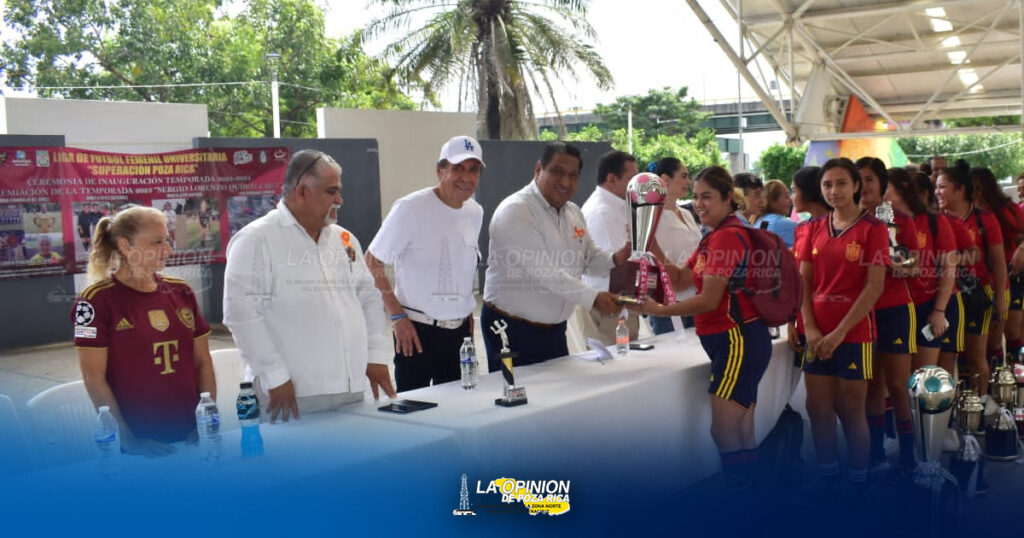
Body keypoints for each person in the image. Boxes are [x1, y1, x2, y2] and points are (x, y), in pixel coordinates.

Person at [223, 150, 396, 423]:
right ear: (302, 191)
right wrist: (275, 376)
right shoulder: (257, 240)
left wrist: (375, 355)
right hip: (290, 397)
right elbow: (242, 314)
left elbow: (369, 298)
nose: (339, 199)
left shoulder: (344, 240)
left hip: (351, 391)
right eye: (331, 191)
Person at [628, 166, 771, 490]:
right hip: (739, 340)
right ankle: (753, 503)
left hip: (738, 340)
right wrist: (648, 241)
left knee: (724, 430)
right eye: (696, 196)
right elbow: (680, 278)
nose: (699, 203)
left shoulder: (727, 237)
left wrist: (660, 309)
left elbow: (708, 299)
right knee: (742, 428)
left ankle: (741, 506)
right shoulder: (715, 237)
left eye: (707, 196)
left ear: (727, 200)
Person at [73, 206, 215, 455]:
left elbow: (203, 361)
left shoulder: (181, 291)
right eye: (157, 242)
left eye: (167, 240)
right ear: (126, 246)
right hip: (141, 444)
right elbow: (93, 378)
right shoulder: (93, 301)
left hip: (192, 435)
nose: (168, 250)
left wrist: (207, 419)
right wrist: (127, 439)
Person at [483, 142, 630, 370]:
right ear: (538, 169)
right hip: (511, 330)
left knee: (556, 400)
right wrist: (593, 298)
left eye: (573, 175)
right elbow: (544, 272)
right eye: (557, 172)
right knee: (521, 400)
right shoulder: (517, 210)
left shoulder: (573, 212)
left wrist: (616, 259)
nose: (565, 182)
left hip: (554, 329)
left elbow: (588, 257)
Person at [365, 136, 485, 392]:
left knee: (459, 408)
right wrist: (397, 317)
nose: (466, 177)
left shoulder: (475, 212)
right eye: (458, 169)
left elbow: (464, 264)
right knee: (415, 410)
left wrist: (465, 313)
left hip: (459, 333)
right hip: (416, 331)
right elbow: (372, 261)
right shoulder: (410, 208)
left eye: (473, 170)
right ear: (440, 170)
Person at [800, 158, 888, 492]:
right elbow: (804, 282)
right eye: (827, 185)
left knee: (852, 410)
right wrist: (810, 327)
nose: (833, 191)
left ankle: (858, 481)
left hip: (854, 334)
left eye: (840, 183)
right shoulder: (813, 228)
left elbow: (874, 287)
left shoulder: (874, 229)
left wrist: (838, 334)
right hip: (817, 332)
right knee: (817, 407)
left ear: (855, 186)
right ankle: (827, 476)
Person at [855, 156, 919, 474]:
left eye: (869, 179)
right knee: (872, 386)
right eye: (859, 179)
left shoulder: (901, 220)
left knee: (897, 385)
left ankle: (909, 454)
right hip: (862, 313)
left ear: (881, 184)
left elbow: (916, 265)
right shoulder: (848, 221)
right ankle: (876, 450)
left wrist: (899, 263)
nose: (864, 186)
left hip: (895, 309)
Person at [935, 161, 1006, 403]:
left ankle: (979, 407)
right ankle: (955, 411)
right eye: (935, 187)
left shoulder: (985, 219)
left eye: (943, 187)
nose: (937, 192)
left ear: (960, 190)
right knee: (949, 356)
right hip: (948, 296)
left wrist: (1001, 299)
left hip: (977, 294)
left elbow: (997, 262)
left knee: (976, 355)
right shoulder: (936, 220)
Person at [581, 150, 639, 344]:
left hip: (620, 304)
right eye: (632, 179)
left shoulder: (618, 207)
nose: (637, 185)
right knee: (617, 369)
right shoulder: (602, 212)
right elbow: (620, 265)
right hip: (610, 308)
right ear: (612, 179)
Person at [971, 166, 1024, 365]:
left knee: (1012, 329)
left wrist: (1022, 247)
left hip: (1013, 275)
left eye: (978, 186)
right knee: (983, 342)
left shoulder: (1007, 209)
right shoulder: (968, 214)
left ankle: (1012, 382)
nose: (976, 191)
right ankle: (994, 386)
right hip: (980, 283)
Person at [649, 157, 701, 334]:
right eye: (684, 176)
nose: (688, 182)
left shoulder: (687, 213)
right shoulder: (652, 215)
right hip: (669, 300)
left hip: (695, 298)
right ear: (665, 179)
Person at [788, 166, 828, 358]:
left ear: (808, 191)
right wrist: (791, 322)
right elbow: (797, 279)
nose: (791, 197)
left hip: (833, 320)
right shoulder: (801, 228)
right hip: (805, 323)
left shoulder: (837, 226)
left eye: (794, 190)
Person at [753, 179, 797, 247]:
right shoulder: (780, 223)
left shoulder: (759, 220)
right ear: (773, 202)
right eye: (786, 197)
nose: (790, 201)